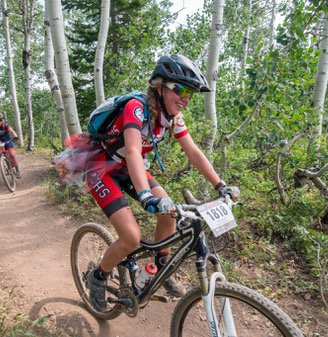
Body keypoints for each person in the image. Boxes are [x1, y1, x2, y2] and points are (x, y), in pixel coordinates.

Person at [83, 54, 240, 312]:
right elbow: (133, 150)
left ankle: (161, 268)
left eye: (189, 92)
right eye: (179, 89)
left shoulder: (173, 117)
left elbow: (194, 152)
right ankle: (97, 277)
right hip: (102, 167)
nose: (185, 98)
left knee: (169, 215)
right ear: (159, 86)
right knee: (131, 237)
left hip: (129, 167)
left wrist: (220, 185)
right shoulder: (136, 107)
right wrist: (145, 195)